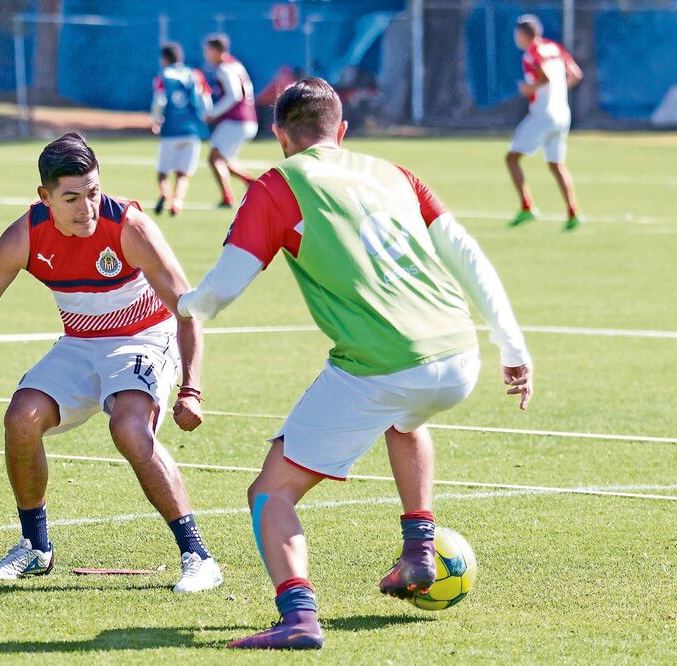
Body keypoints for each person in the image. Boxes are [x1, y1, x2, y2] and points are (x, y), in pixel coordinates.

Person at [177, 78, 533, 650]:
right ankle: (419, 549)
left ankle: (298, 617)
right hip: (457, 355)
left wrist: (186, 304)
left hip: (381, 365)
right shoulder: (394, 173)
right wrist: (512, 346)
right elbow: (466, 252)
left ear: (279, 135)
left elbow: (223, 288)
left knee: (270, 493)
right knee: (406, 419)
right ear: (341, 131)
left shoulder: (279, 184)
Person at [0, 133, 223, 592]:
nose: (87, 208)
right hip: (79, 342)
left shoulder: (129, 227)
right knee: (20, 419)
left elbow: (188, 310)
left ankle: (198, 556)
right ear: (44, 197)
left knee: (130, 428)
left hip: (145, 338)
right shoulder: (24, 235)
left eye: (93, 192)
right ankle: (35, 547)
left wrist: (192, 388)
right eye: (71, 198)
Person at [506, 15, 583, 232]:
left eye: (517, 33)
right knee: (557, 165)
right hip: (562, 114)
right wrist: (558, 91)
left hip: (543, 115)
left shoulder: (532, 52)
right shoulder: (554, 47)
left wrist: (530, 89)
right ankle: (573, 212)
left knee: (512, 158)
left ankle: (527, 206)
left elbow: (545, 77)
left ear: (524, 34)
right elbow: (576, 74)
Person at [151, 42, 212, 217]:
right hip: (191, 131)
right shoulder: (195, 74)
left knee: (163, 172)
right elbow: (205, 99)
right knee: (183, 174)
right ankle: (177, 202)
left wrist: (155, 120)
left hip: (170, 130)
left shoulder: (162, 75)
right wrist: (205, 116)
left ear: (164, 58)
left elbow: (160, 101)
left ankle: (164, 192)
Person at [202, 33, 258, 208]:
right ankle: (252, 183)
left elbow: (235, 95)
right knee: (223, 159)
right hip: (246, 119)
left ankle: (228, 197)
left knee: (215, 159)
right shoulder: (235, 65)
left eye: (208, 51)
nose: (206, 55)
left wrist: (213, 113)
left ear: (217, 50)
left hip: (236, 121)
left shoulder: (224, 68)